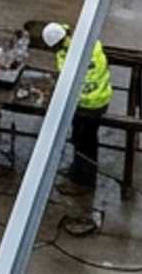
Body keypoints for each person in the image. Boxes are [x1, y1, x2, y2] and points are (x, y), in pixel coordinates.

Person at [42, 20, 114, 186]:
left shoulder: (67, 56)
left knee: (86, 142)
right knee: (82, 135)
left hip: (88, 105)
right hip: (101, 97)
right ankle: (77, 170)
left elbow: (68, 82)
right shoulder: (89, 42)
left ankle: (85, 180)